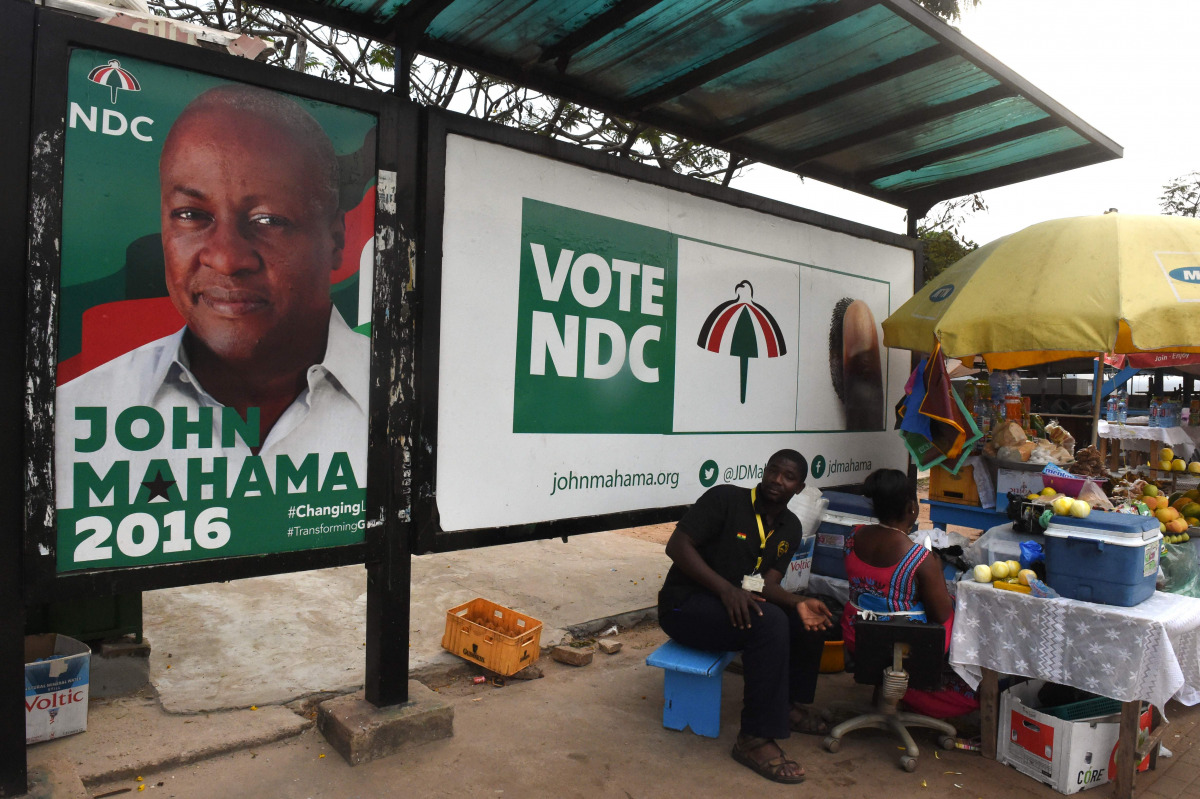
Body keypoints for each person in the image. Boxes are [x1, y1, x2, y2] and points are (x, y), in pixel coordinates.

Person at [56, 84, 368, 511]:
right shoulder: (71, 416)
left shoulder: (403, 403)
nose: (226, 258)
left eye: (269, 220)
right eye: (191, 215)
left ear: (335, 240)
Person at [658, 449, 833, 784]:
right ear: (764, 471)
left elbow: (765, 584)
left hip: (730, 605)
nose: (777, 481)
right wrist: (726, 590)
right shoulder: (725, 499)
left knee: (806, 614)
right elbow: (677, 546)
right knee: (770, 623)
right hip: (685, 605)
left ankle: (786, 705)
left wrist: (798, 601)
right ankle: (753, 738)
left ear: (799, 487)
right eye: (773, 471)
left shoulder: (790, 528)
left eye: (788, 477)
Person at [841, 468, 978, 719]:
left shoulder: (853, 536)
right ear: (912, 509)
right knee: (955, 612)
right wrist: (935, 570)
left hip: (857, 634)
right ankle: (943, 694)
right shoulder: (920, 558)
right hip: (903, 647)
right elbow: (941, 614)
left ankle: (891, 692)